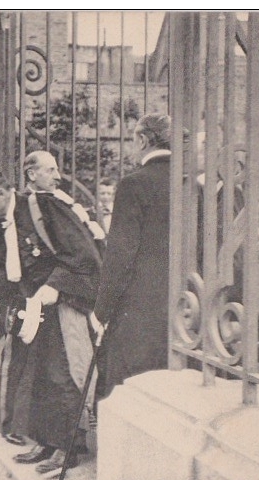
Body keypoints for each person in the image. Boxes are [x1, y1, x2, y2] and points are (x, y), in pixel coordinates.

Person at [0, 167, 102, 477]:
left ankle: (68, 449)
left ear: (1, 193)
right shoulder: (2, 223)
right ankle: (46, 441)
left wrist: (54, 285)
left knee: (63, 373)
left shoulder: (44, 207)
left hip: (64, 302)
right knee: (38, 374)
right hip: (34, 308)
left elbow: (85, 255)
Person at [91, 113, 173, 398]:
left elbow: (120, 253)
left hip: (139, 308)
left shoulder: (134, 184)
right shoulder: (192, 187)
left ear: (142, 139)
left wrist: (101, 309)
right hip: (185, 310)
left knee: (130, 390)